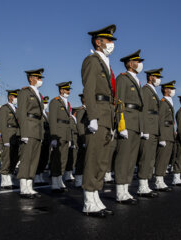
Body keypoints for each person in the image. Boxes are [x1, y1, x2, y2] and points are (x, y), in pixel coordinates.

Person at [81, 24, 117, 217]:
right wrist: (92, 116)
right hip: (98, 114)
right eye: (109, 40)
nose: (111, 44)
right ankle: (88, 200)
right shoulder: (92, 61)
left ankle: (95, 196)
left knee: (103, 160)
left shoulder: (105, 63)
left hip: (108, 115)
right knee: (93, 158)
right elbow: (89, 90)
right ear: (98, 41)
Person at [115, 49, 144, 204]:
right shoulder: (123, 79)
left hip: (136, 122)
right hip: (127, 121)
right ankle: (120, 191)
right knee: (123, 157)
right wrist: (121, 124)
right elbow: (119, 102)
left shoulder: (137, 81)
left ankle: (126, 189)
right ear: (129, 64)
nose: (140, 64)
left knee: (132, 157)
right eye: (138, 62)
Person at [16, 68, 45, 199]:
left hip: (37, 129)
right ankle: (23, 187)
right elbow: (21, 112)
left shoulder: (38, 93)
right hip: (28, 127)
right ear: (30, 79)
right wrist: (23, 132)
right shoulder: (24, 92)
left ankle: (29, 186)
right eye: (38, 78)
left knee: (34, 159)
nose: (40, 80)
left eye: (40, 78)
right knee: (26, 158)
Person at [137, 68, 163, 198]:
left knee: (151, 158)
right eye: (156, 77)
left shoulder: (153, 91)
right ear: (150, 77)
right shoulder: (145, 91)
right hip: (149, 128)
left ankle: (146, 183)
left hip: (154, 129)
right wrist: (144, 129)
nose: (158, 79)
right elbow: (143, 110)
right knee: (145, 157)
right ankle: (142, 185)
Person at [49, 81, 72, 193]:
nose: (69, 91)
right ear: (61, 90)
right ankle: (54, 182)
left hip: (66, 133)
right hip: (58, 133)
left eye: (69, 90)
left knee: (63, 158)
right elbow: (52, 120)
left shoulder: (67, 103)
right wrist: (53, 136)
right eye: (67, 90)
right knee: (56, 158)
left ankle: (60, 179)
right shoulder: (55, 102)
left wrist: (70, 137)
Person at [154, 80, 176, 191]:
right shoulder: (163, 102)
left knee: (166, 158)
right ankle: (158, 181)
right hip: (165, 134)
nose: (173, 91)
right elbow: (160, 120)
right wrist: (161, 137)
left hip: (169, 134)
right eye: (171, 89)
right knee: (161, 158)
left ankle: (161, 179)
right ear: (166, 90)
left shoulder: (169, 102)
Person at [0, 89, 20, 189]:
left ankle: (9, 178)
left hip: (16, 135)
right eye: (15, 97)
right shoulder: (4, 108)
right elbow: (2, 124)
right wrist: (5, 140)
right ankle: (4, 180)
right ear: (10, 97)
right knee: (7, 159)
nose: (16, 99)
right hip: (8, 135)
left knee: (15, 158)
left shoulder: (16, 109)